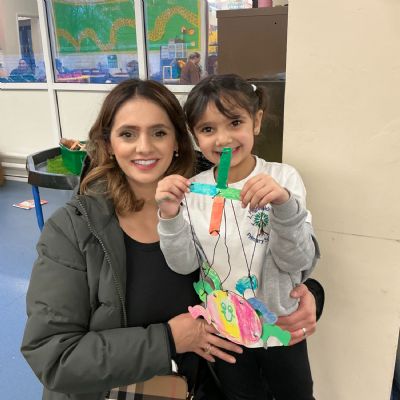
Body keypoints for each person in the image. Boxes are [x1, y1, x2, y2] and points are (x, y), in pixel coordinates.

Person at [20, 78, 244, 400]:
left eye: (159, 132)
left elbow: (256, 264)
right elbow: (53, 356)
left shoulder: (208, 208)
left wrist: (309, 295)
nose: (144, 147)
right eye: (128, 134)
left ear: (177, 141)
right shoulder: (72, 229)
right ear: (109, 144)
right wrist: (167, 340)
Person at [155, 73, 320, 400]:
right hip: (226, 332)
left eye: (235, 122)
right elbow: (183, 265)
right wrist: (169, 215)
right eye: (207, 129)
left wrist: (284, 205)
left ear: (256, 121)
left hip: (281, 328)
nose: (223, 139)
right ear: (194, 136)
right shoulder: (193, 190)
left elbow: (296, 260)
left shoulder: (283, 179)